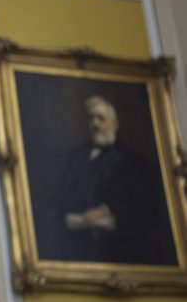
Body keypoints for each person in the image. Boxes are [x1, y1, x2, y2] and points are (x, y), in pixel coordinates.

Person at [38, 95, 174, 265]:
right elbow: (58, 198)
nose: (95, 124)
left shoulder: (131, 161)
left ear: (114, 125)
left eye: (101, 118)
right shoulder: (76, 157)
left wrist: (107, 210)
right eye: (91, 118)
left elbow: (146, 207)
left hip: (119, 248)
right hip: (76, 245)